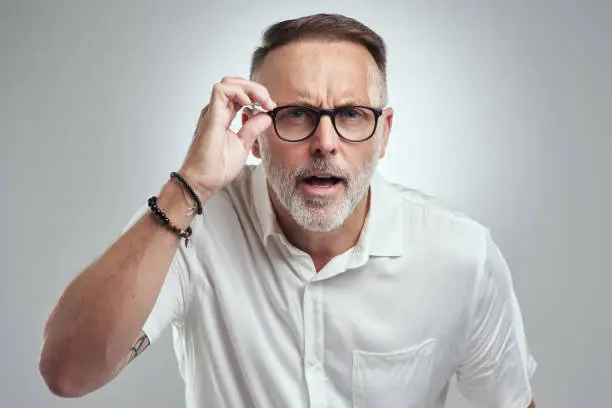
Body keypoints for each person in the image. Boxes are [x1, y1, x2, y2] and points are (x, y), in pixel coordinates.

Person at [39, 13, 537, 408]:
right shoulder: (189, 223)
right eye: (296, 114)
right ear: (254, 132)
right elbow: (68, 372)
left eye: (350, 115)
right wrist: (189, 184)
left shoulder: (461, 255)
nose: (325, 143)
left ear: (384, 134)